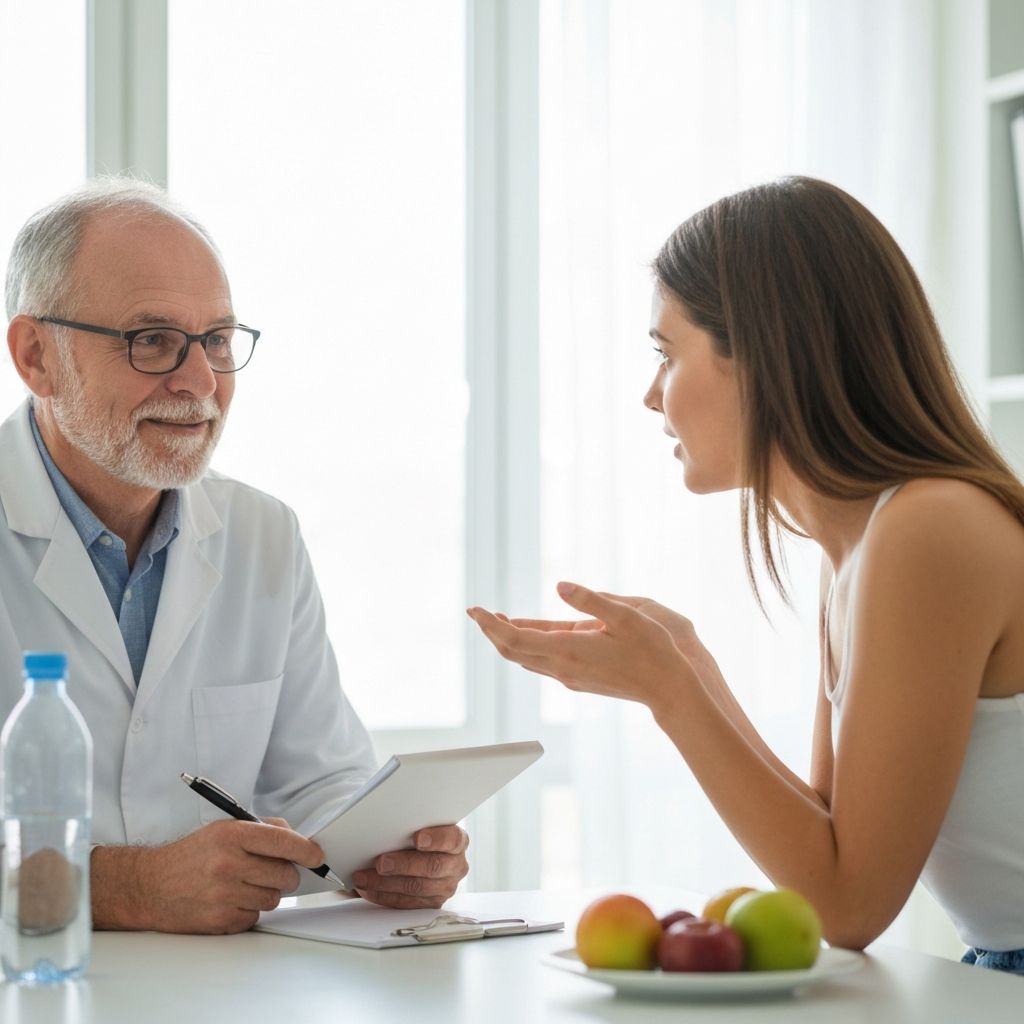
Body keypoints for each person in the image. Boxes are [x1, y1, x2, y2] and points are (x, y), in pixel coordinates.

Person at [469, 176, 1024, 973]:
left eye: (667, 353)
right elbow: (833, 841)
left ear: (764, 356)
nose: (650, 394)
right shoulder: (863, 546)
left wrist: (672, 692)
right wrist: (691, 664)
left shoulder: (929, 529)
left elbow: (850, 905)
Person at [2, 179, 468, 934]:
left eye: (216, 339)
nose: (199, 383)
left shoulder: (263, 535)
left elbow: (319, 774)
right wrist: (125, 888)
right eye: (150, 340)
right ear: (36, 356)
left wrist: (384, 850)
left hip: (223, 992)